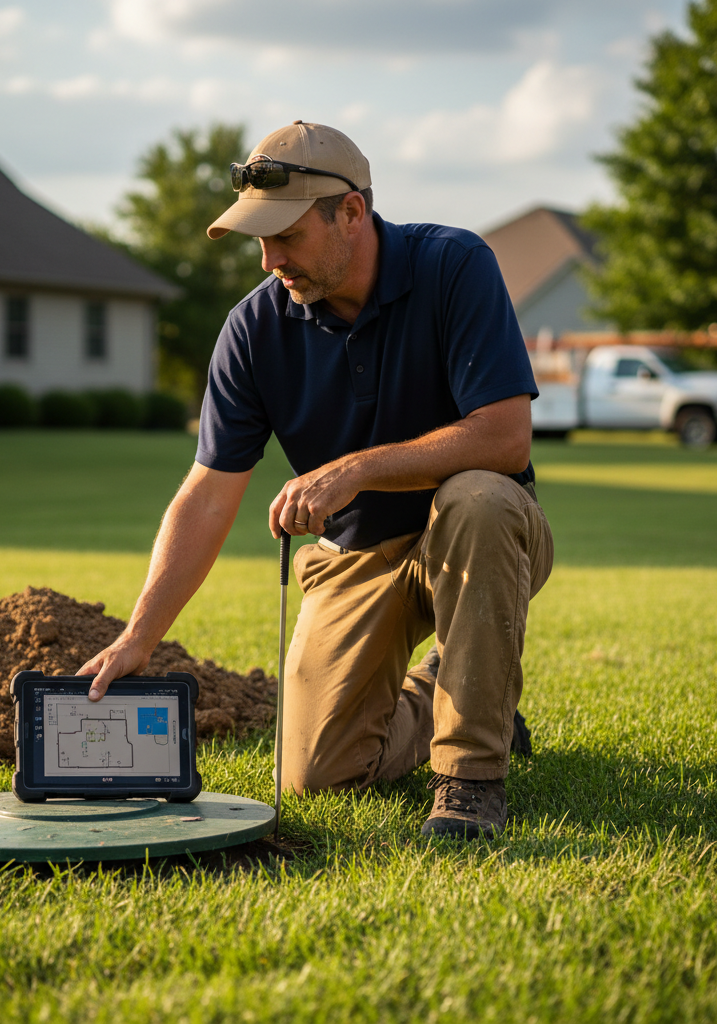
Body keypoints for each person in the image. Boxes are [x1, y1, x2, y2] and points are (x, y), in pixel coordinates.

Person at [78, 121, 553, 839]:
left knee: (478, 496)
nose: (270, 260)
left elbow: (504, 435)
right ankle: (452, 691)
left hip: (483, 537)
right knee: (319, 770)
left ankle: (469, 780)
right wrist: (139, 637)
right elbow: (207, 493)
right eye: (258, 241)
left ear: (352, 213)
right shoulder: (253, 330)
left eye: (287, 236)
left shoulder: (456, 265)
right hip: (357, 556)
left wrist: (357, 469)